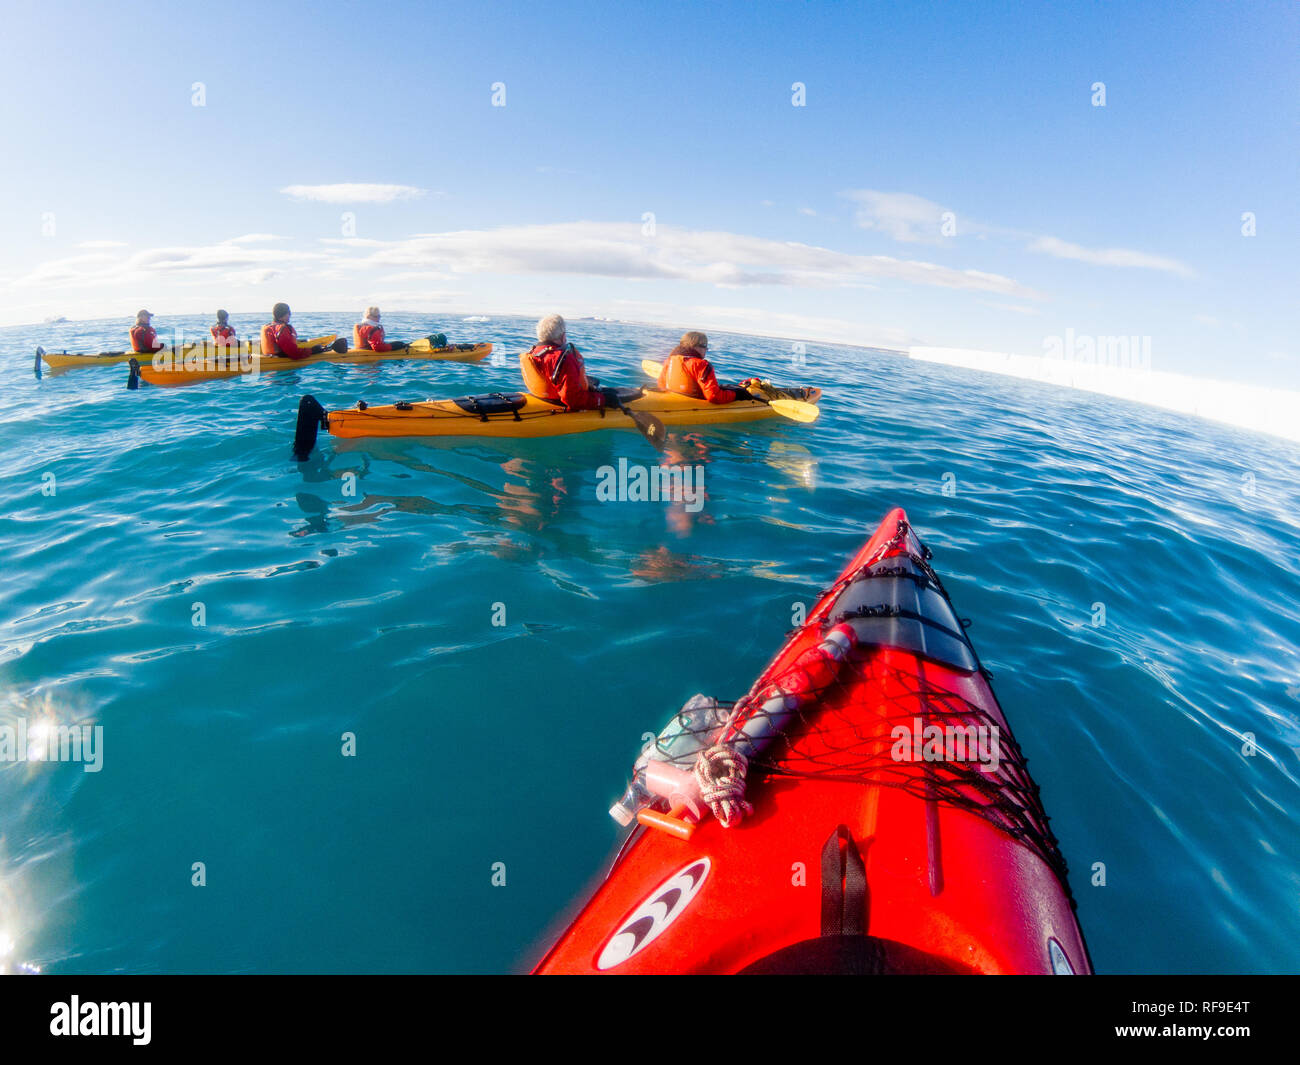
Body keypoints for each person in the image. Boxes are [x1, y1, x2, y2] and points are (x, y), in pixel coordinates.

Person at [520, 314, 605, 410]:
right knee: (602, 390)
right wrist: (602, 399)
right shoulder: (564, 359)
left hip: (542, 397)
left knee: (593, 382)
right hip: (559, 404)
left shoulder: (533, 353)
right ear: (563, 336)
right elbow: (573, 400)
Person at [656, 331, 741, 403]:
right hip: (694, 403)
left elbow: (661, 384)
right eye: (705, 347)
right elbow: (714, 397)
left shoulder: (669, 360)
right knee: (738, 391)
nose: (706, 350)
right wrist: (736, 395)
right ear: (696, 346)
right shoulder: (701, 365)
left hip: (673, 398)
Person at [260, 303, 326, 360]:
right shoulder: (282, 329)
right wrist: (312, 350)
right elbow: (294, 353)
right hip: (280, 361)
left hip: (269, 358)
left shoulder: (267, 327)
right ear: (284, 314)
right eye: (289, 313)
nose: (290, 316)